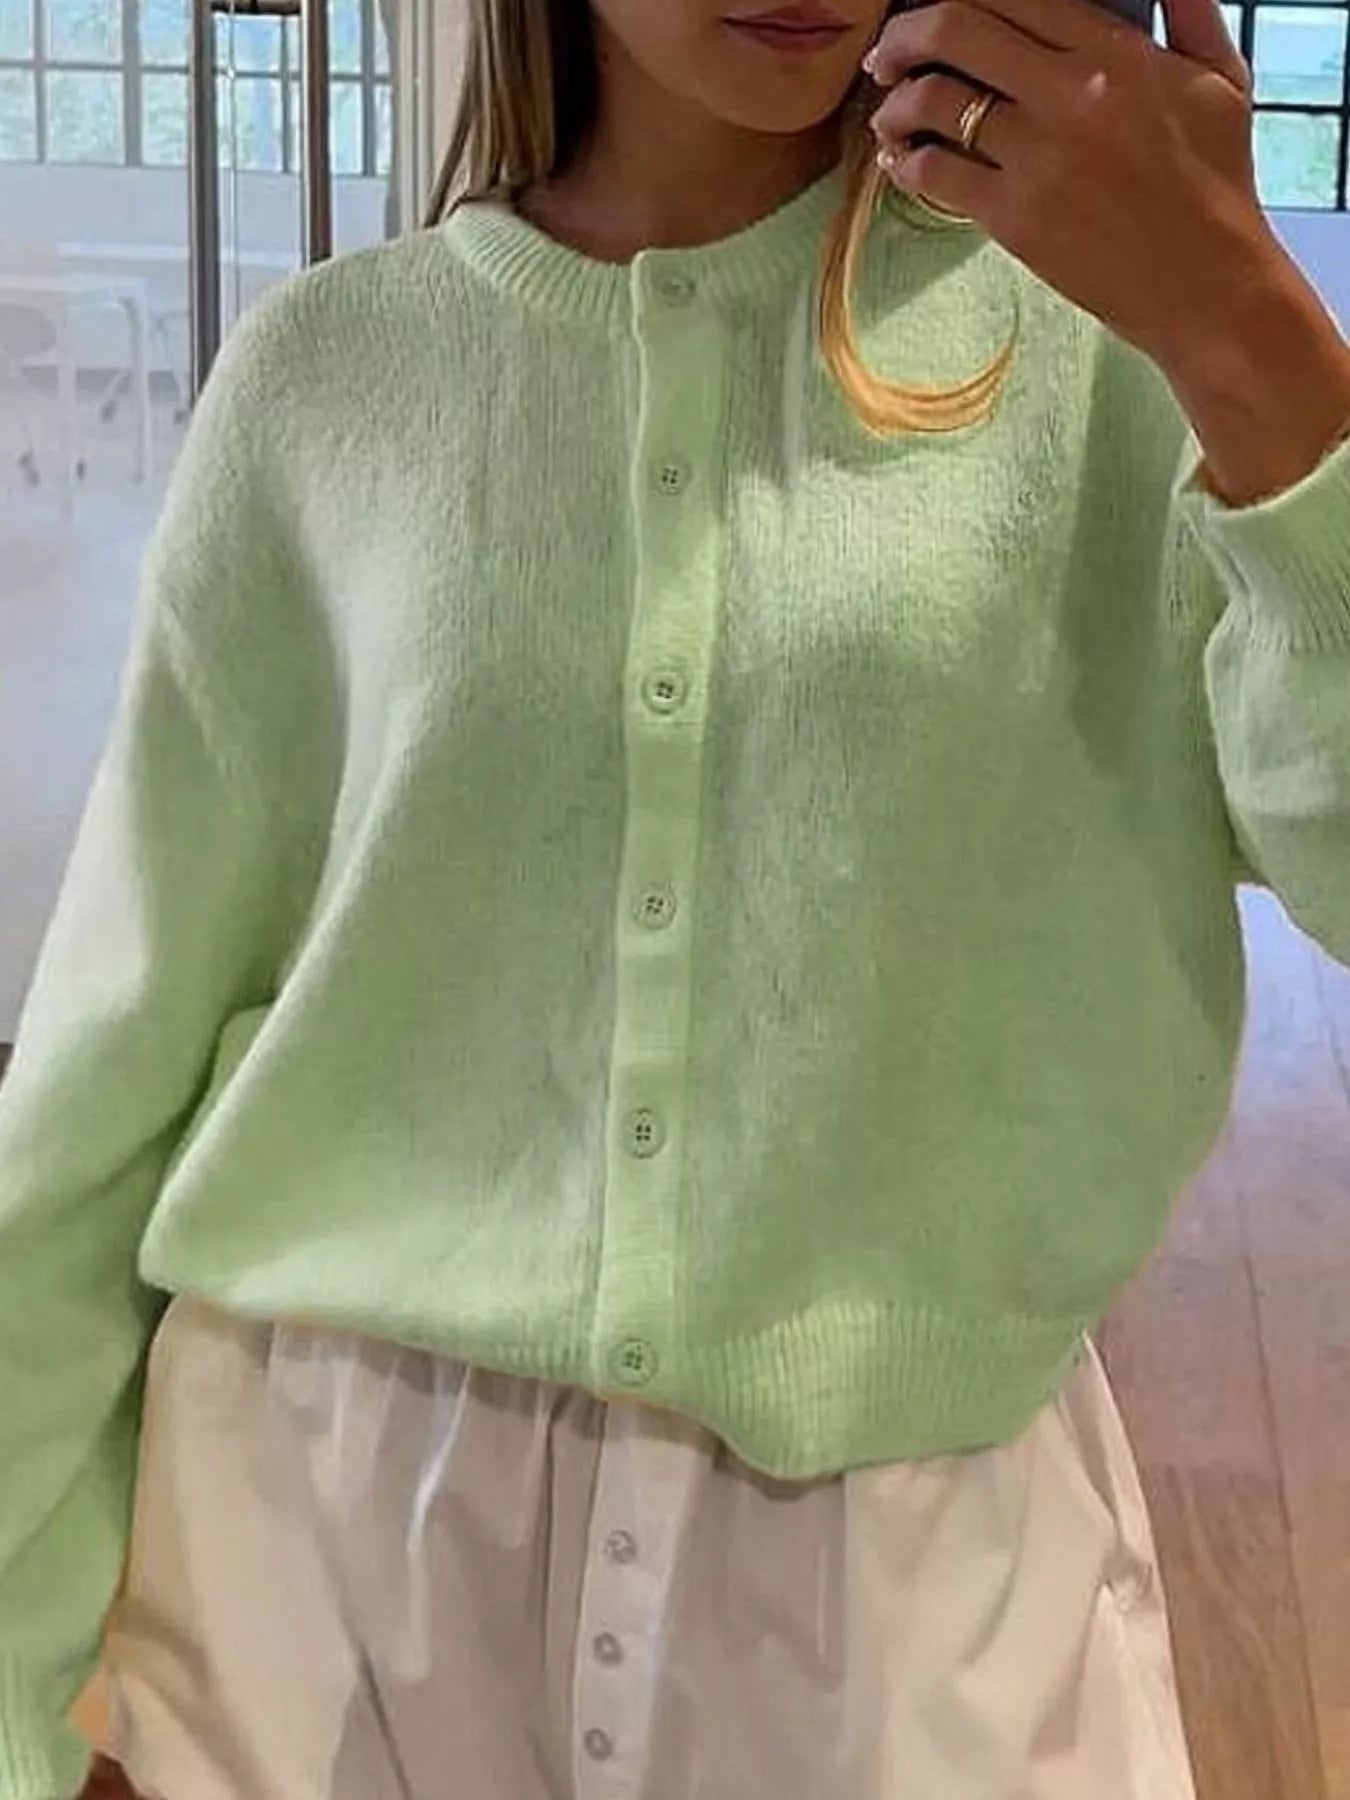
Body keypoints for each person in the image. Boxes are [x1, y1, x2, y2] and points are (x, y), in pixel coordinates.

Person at [3, 1, 1350, 1796]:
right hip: (303, 1562)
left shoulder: (1120, 369)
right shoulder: (327, 379)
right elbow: (105, 1077)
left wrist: (1248, 340)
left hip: (910, 1585)